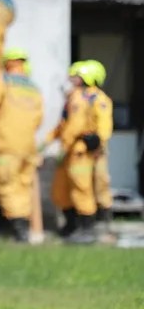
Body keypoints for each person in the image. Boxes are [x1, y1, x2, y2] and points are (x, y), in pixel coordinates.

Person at [0, 48, 43, 242]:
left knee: (7, 185)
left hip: (6, 144)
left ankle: (18, 230)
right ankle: (24, 226)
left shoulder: (2, 81)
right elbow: (39, 118)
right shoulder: (33, 87)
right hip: (28, 146)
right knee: (24, 185)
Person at [44, 61, 103, 244]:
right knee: (62, 191)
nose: (70, 79)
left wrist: (63, 146)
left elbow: (74, 126)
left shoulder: (81, 99)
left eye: (74, 76)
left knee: (81, 189)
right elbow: (63, 126)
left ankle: (87, 229)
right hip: (69, 151)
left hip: (78, 152)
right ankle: (71, 226)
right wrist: (45, 142)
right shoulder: (73, 97)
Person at [83, 59, 114, 236]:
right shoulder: (83, 97)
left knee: (100, 182)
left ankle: (104, 221)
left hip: (97, 149)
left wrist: (98, 143)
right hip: (85, 148)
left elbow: (104, 126)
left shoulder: (100, 100)